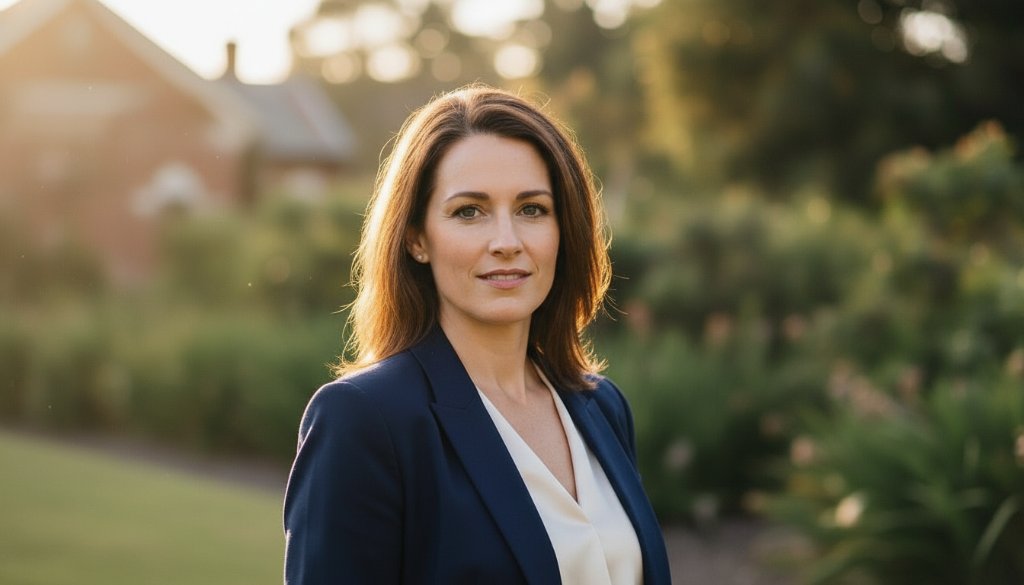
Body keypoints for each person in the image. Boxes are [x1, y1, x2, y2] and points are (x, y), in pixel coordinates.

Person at [283, 85, 671, 585]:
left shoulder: (601, 407)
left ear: (563, 229)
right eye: (469, 211)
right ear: (417, 238)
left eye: (532, 209)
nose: (507, 242)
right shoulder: (365, 420)